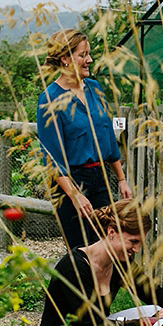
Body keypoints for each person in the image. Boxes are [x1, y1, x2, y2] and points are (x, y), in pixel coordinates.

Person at [37, 199, 163, 326]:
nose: (136, 250)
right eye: (133, 242)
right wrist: (148, 324)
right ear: (111, 232)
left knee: (158, 311)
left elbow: (153, 292)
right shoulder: (74, 267)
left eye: (140, 243)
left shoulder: (121, 262)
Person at [36, 29, 131, 250]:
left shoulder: (95, 88)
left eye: (89, 54)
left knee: (108, 246)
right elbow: (52, 159)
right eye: (83, 55)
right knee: (83, 252)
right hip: (70, 183)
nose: (89, 60)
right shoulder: (49, 99)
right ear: (66, 59)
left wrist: (122, 179)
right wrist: (75, 195)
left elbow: (108, 136)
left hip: (100, 179)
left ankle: (105, 286)